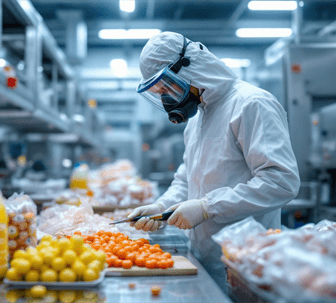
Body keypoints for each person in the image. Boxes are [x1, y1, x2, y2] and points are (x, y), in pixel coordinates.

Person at [128, 32, 300, 292]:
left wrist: (208, 207)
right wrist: (161, 206)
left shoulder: (251, 104)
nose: (168, 99)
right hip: (202, 258)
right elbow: (188, 179)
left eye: (169, 87)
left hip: (245, 263)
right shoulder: (198, 119)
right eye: (161, 92)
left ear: (190, 67)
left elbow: (281, 181)